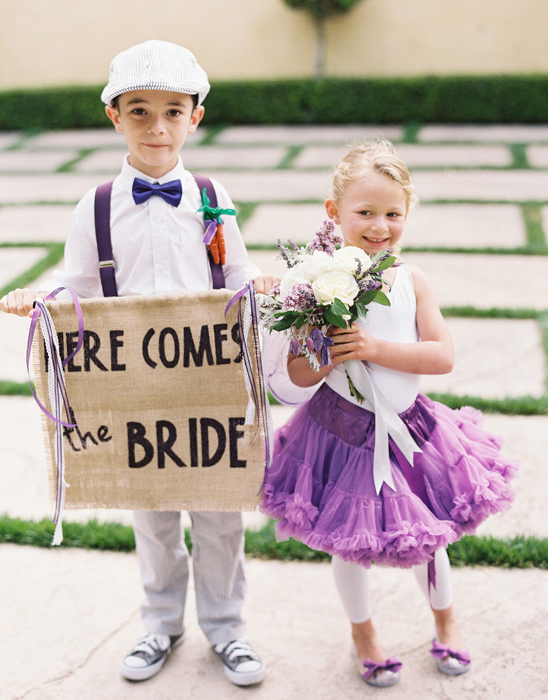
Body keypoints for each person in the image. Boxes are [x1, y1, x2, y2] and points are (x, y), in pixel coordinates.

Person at [0, 39, 275, 687]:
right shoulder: (95, 206)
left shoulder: (211, 194)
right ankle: (159, 621)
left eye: (173, 112)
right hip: (134, 393)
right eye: (140, 111)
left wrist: (258, 281)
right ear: (114, 117)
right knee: (151, 513)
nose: (158, 127)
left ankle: (227, 626)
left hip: (206, 386)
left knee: (218, 512)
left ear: (194, 118)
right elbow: (79, 289)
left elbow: (236, 266)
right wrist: (44, 297)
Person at [260, 140, 518, 688]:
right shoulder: (310, 286)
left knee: (428, 537)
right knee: (348, 543)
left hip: (411, 431)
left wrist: (374, 349)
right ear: (334, 213)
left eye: (393, 214)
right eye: (365, 213)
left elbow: (442, 355)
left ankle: (446, 619)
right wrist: (323, 346)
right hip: (338, 433)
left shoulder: (412, 280)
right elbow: (301, 379)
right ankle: (364, 633)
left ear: (407, 213)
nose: (380, 226)